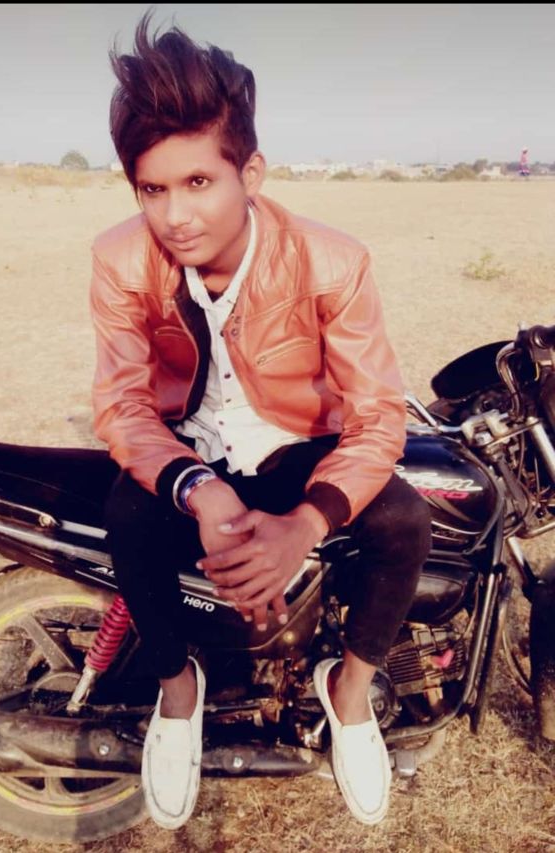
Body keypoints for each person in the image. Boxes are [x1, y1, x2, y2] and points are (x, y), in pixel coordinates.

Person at [90, 12, 431, 831]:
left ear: (251, 172)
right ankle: (179, 689)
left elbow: (378, 415)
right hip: (190, 450)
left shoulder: (333, 260)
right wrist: (202, 493)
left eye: (198, 182)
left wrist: (303, 525)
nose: (175, 215)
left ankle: (350, 691)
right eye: (152, 189)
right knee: (127, 515)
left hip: (292, 445)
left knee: (405, 519)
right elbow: (123, 404)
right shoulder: (119, 259)